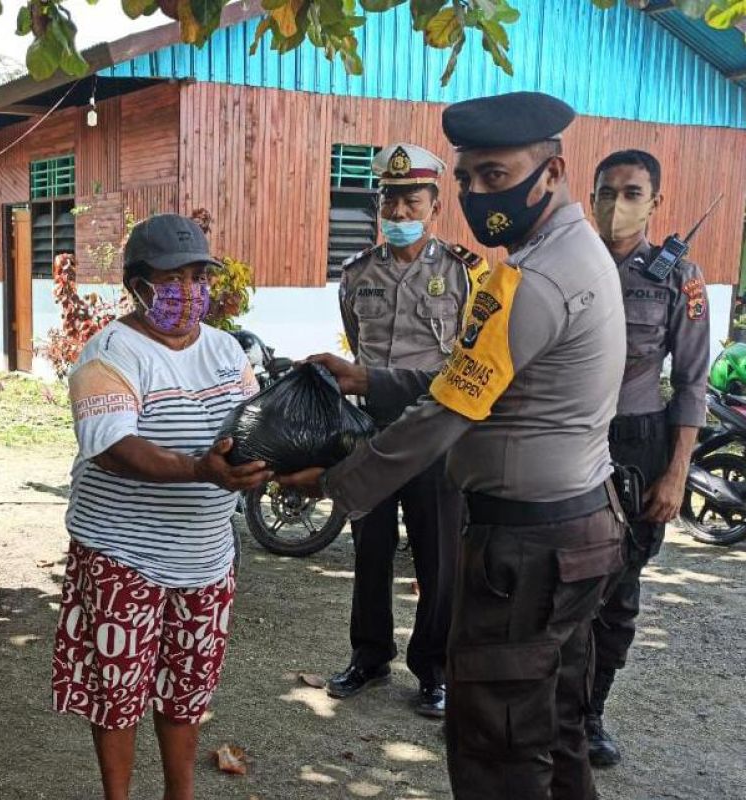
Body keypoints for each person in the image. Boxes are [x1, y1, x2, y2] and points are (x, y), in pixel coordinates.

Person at [280, 91, 628, 800]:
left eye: (493, 177)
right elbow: (465, 376)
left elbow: (446, 408)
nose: (477, 195)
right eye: (468, 179)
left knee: (497, 747)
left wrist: (333, 484)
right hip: (578, 523)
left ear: (553, 172)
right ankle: (371, 655)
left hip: (527, 547)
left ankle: (426, 669)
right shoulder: (577, 251)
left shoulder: (525, 280)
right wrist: (370, 380)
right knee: (555, 733)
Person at [51, 214, 270, 800]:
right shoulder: (110, 353)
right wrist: (200, 470)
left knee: (188, 689)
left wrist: (278, 463)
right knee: (118, 692)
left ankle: (181, 794)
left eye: (198, 276)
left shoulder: (225, 350)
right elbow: (113, 447)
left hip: (205, 557)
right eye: (172, 279)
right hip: (123, 556)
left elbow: (253, 428)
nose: (189, 291)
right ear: (137, 284)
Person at [332, 142, 482, 717]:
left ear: (434, 205)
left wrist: (377, 379)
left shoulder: (465, 276)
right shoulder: (356, 275)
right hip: (372, 432)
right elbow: (355, 345)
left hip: (436, 438)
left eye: (409, 200)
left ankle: (434, 670)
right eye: (388, 200)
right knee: (369, 549)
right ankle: (368, 656)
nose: (397, 213)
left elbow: (464, 366)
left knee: (438, 555)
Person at [585, 149, 710, 766]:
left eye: (632, 193)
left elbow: (691, 382)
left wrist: (676, 470)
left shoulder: (678, 277)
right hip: (567, 435)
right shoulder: (569, 263)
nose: (616, 205)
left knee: (618, 589)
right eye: (606, 192)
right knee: (556, 580)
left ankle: (590, 715)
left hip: (638, 443)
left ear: (655, 202)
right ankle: (548, 707)